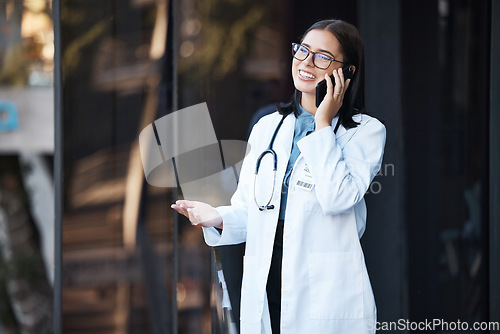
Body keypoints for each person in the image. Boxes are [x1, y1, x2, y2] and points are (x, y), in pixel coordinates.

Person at [171, 19, 386, 334]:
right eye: (302, 51)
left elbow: (337, 198)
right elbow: (251, 209)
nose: (306, 63)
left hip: (327, 294)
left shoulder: (366, 132)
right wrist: (215, 217)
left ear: (347, 72)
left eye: (322, 57)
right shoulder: (268, 128)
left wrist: (323, 123)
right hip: (268, 278)